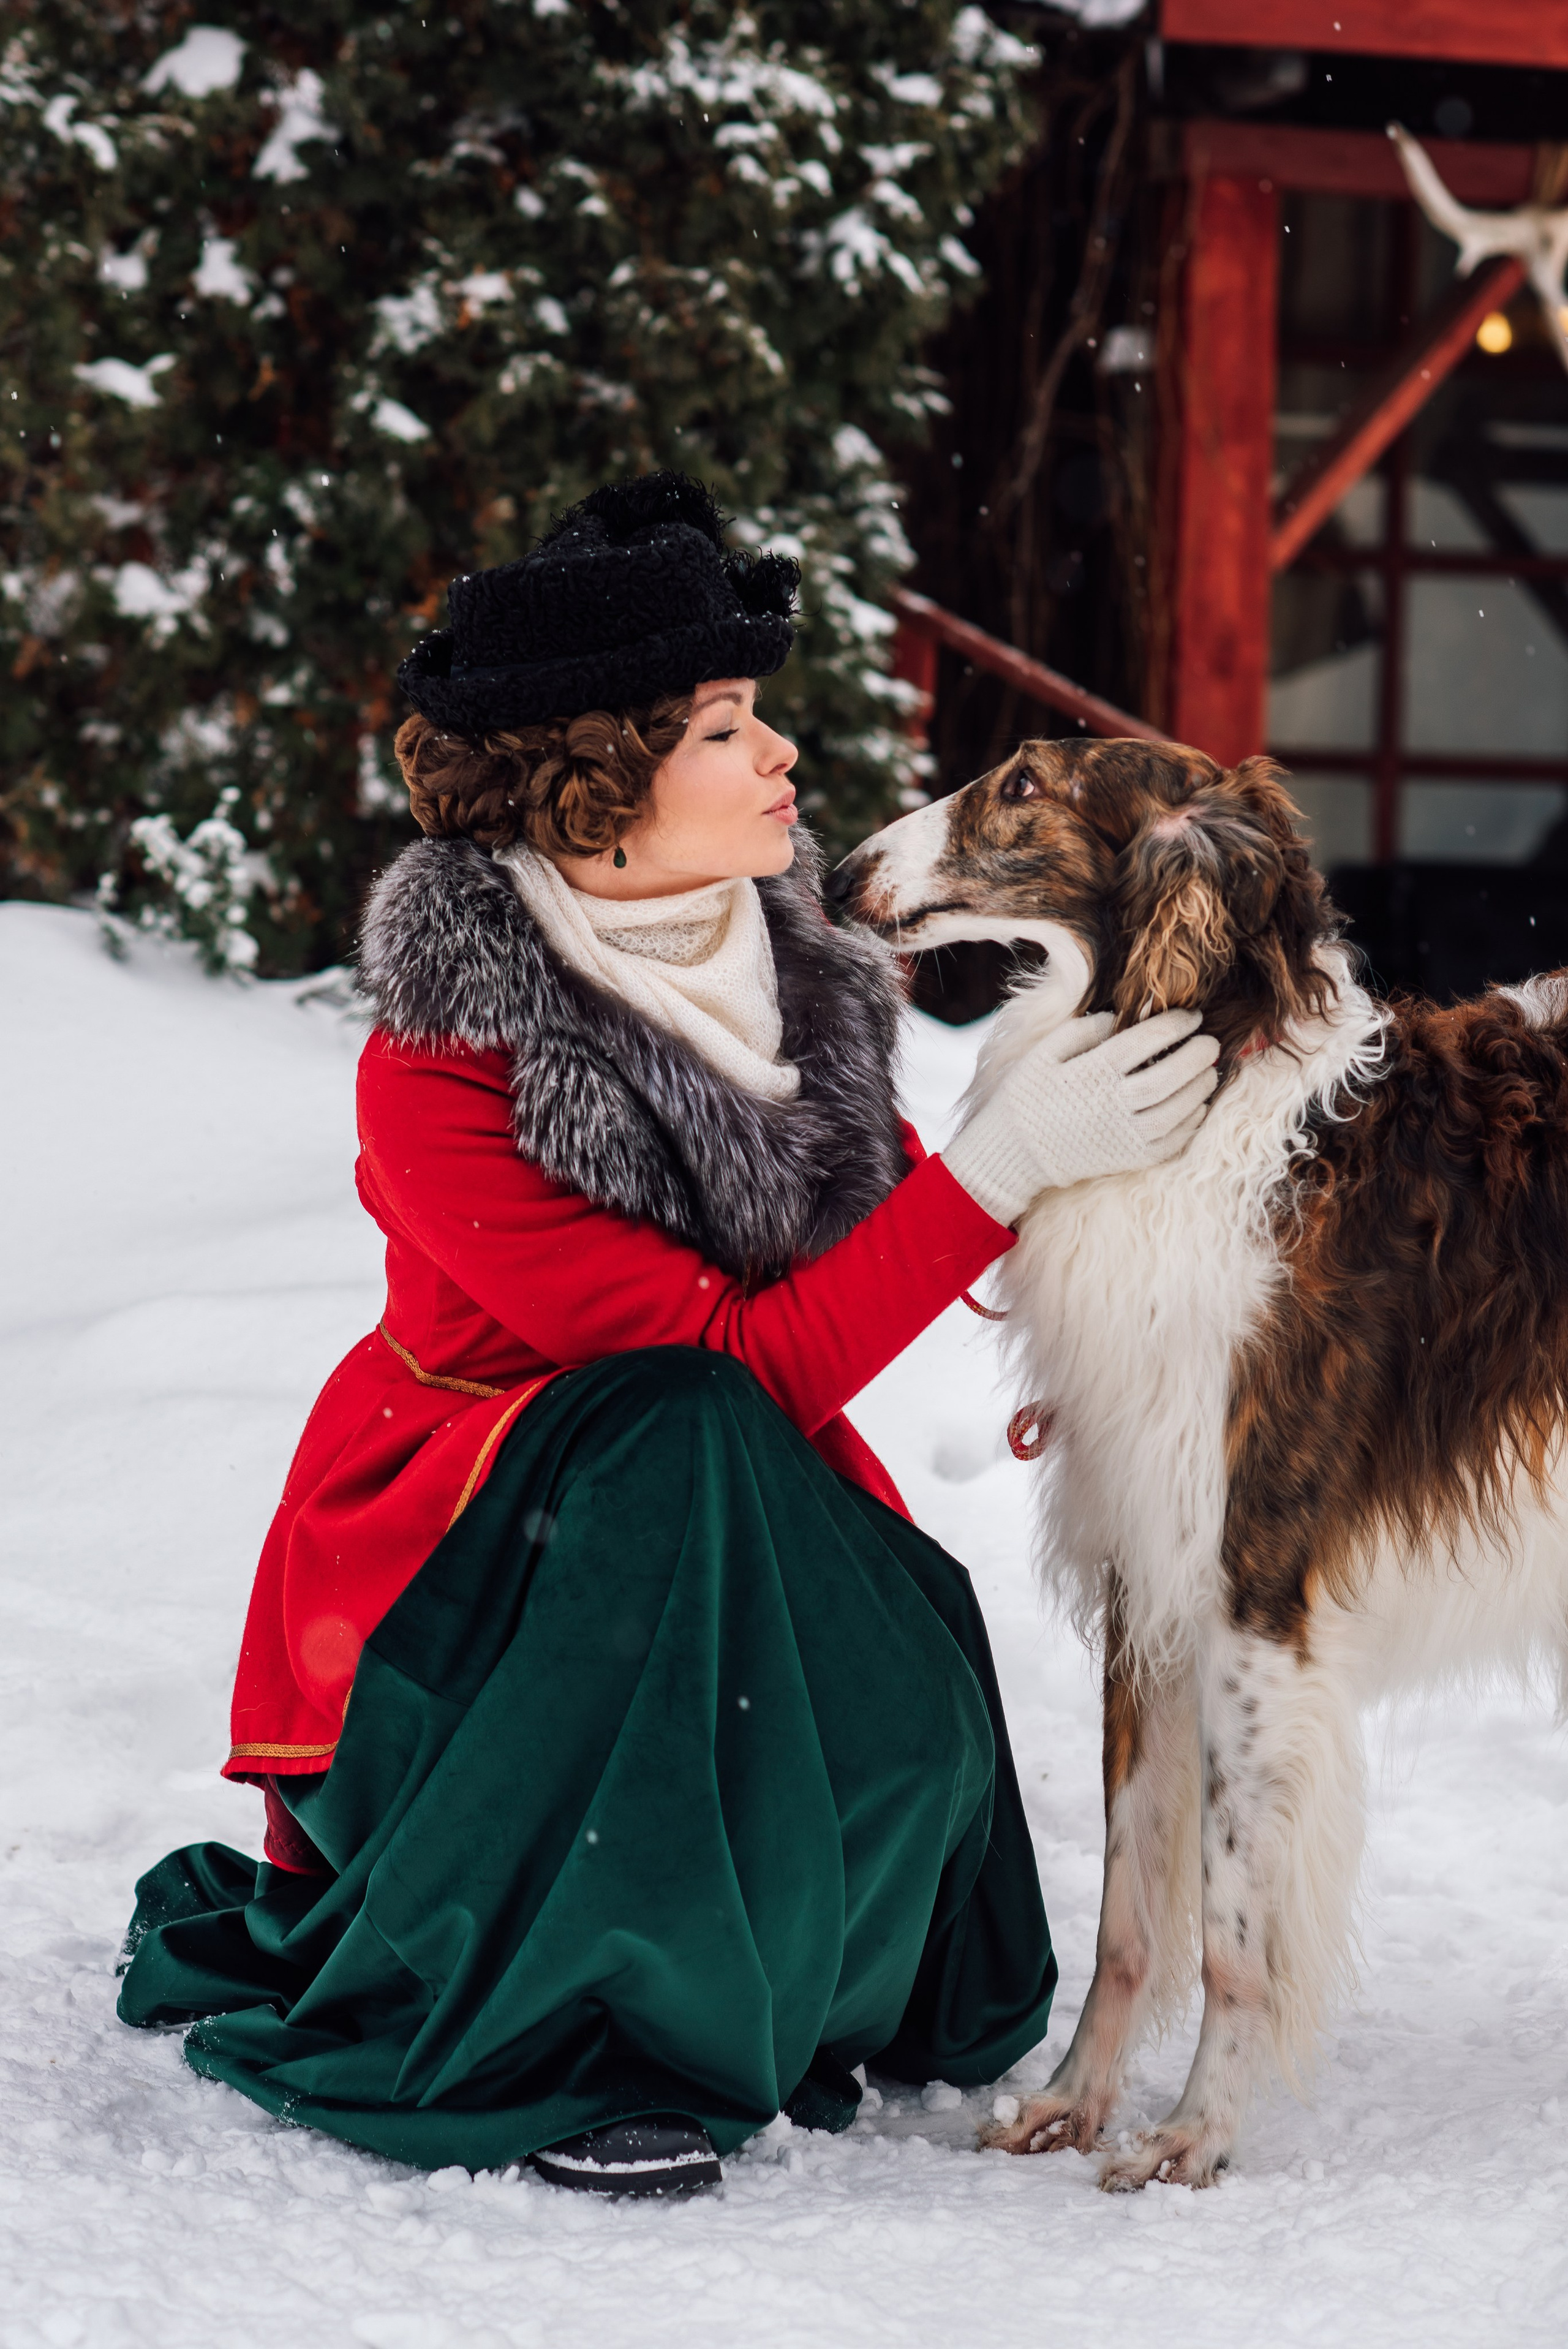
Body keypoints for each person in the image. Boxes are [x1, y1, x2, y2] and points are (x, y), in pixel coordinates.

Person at [117, 472, 1217, 2198]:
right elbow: (732, 1367)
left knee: (935, 1827)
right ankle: (592, 2024)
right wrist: (998, 1172)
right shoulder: (441, 1068)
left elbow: (905, 1238)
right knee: (675, 1425)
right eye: (725, 727)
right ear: (599, 782)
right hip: (479, 1586)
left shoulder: (796, 981)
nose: (782, 753)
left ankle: (748, 1941)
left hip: (721, 1531)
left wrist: (1096, 1268)